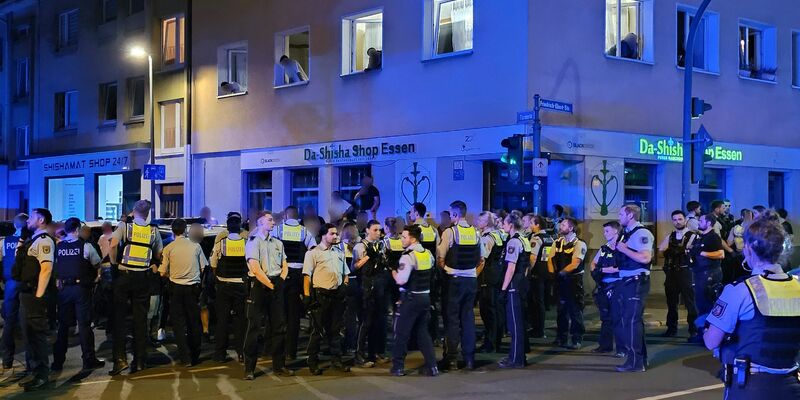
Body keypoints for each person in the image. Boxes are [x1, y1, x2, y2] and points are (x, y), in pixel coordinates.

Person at [703, 214, 800, 399]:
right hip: (791, 385)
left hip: (751, 386)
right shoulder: (798, 286)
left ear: (748, 248)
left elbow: (711, 341)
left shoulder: (740, 290)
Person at [108, 200, 164, 375]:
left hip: (125, 277)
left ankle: (120, 360)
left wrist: (114, 263)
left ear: (133, 212)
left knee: (120, 319)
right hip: (143, 278)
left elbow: (113, 244)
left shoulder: (125, 226)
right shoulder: (153, 230)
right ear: (148, 213)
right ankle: (140, 361)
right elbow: (158, 253)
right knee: (140, 321)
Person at [243, 211, 292, 379]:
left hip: (275, 284)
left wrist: (281, 280)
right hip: (260, 287)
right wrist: (272, 286)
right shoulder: (253, 242)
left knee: (279, 327)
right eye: (269, 220)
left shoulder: (277, 243)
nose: (273, 222)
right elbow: (255, 269)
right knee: (254, 328)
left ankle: (279, 365)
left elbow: (284, 264)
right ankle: (249, 368)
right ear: (260, 223)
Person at [436, 200, 485, 371]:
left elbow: (440, 258)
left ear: (455, 215)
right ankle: (469, 359)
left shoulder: (450, 232)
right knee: (468, 318)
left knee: (452, 320)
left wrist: (448, 270)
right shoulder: (476, 232)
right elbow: (481, 259)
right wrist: (472, 274)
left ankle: (451, 359)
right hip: (471, 280)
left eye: (450, 214)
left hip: (454, 280)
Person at [51, 218, 105, 372]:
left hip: (63, 290)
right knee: (84, 325)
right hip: (81, 289)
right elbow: (97, 263)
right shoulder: (85, 246)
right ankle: (89, 360)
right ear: (76, 229)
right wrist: (96, 277)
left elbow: (55, 266)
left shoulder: (59, 246)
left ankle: (57, 362)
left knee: (63, 327)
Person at [12, 208, 56, 391]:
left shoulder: (44, 241)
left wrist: (38, 296)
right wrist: (22, 238)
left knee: (37, 336)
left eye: (31, 217)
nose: (28, 220)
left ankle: (41, 375)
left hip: (34, 295)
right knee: (29, 336)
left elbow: (46, 269)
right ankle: (33, 370)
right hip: (26, 294)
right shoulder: (32, 239)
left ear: (41, 220)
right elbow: (18, 258)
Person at [390, 225, 438, 377]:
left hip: (410, 299)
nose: (401, 240)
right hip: (425, 297)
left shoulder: (408, 256)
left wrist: (392, 270)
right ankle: (432, 366)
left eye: (404, 237)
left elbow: (401, 280)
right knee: (423, 334)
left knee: (401, 333)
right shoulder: (428, 253)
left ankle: (398, 367)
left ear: (412, 238)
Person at [303, 223, 350, 375]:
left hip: (336, 295)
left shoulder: (339, 252)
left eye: (336, 234)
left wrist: (344, 285)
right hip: (321, 295)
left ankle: (337, 360)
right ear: (323, 235)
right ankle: (312, 361)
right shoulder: (313, 253)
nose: (336, 236)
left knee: (335, 330)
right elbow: (307, 276)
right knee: (317, 331)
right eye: (332, 233)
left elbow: (345, 272)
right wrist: (307, 296)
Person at [159, 219, 205, 367]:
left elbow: (162, 272)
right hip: (192, 289)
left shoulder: (169, 248)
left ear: (172, 231)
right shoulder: (195, 246)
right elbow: (204, 267)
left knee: (178, 325)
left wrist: (171, 275)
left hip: (176, 289)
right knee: (194, 323)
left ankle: (185, 357)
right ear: (185, 230)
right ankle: (195, 355)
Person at [614, 204, 654, 372]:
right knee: (631, 321)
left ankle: (635, 362)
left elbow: (645, 257)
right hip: (627, 280)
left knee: (631, 321)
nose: (619, 217)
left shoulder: (642, 233)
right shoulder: (626, 233)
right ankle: (639, 360)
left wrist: (624, 249)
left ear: (630, 215)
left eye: (621, 213)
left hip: (636, 281)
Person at [275, 205, 317, 360]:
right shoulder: (304, 231)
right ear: (297, 216)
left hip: (282, 274)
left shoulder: (278, 230)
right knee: (294, 316)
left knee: (279, 314)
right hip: (299, 274)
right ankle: (290, 351)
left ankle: (276, 349)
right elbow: (313, 249)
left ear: (286, 216)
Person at [210, 215, 247, 363]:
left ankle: (220, 354)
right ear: (239, 227)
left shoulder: (221, 243)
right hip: (241, 285)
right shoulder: (246, 243)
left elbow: (213, 264)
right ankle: (241, 353)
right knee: (240, 321)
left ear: (227, 227)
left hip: (224, 285)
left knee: (222, 321)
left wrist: (218, 278)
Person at [497, 213, 532, 368]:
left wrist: (504, 289)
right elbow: (527, 265)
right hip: (523, 283)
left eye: (504, 223)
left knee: (514, 324)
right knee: (520, 321)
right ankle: (516, 355)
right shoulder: (524, 239)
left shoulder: (513, 241)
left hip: (514, 285)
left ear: (511, 225)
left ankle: (517, 359)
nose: (503, 225)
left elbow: (511, 268)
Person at [547, 217, 586, 350]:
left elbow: (575, 263)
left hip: (573, 281)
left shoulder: (579, 244)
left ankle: (577, 339)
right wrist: (553, 275)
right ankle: (561, 337)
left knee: (575, 310)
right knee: (561, 311)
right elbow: (550, 259)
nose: (560, 226)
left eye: (563, 225)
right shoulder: (557, 242)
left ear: (571, 228)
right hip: (560, 280)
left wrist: (562, 272)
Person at [658, 211, 698, 338]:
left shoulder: (692, 236)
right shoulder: (670, 236)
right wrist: (668, 252)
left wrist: (684, 251)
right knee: (671, 303)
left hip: (686, 271)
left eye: (680, 219)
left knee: (690, 303)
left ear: (685, 220)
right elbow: (660, 251)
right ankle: (671, 329)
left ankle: (693, 330)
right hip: (672, 273)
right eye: (674, 219)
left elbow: (695, 253)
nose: (677, 222)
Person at [352, 220, 386, 367]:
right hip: (365, 286)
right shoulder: (360, 246)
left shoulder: (380, 245)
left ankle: (374, 353)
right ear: (367, 230)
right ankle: (359, 355)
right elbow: (354, 267)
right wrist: (368, 257)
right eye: (375, 230)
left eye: (379, 230)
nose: (378, 233)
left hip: (378, 285)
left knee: (378, 321)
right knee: (366, 322)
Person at [688, 213, 725, 343]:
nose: (699, 221)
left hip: (709, 274)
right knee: (700, 304)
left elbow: (721, 254)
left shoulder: (713, 237)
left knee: (707, 305)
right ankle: (702, 333)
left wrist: (703, 253)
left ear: (709, 223)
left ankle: (708, 335)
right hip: (699, 274)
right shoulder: (700, 237)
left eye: (701, 220)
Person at [408, 202, 442, 343]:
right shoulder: (433, 230)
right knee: (431, 303)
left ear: (416, 213)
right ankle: (433, 335)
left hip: (416, 273)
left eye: (411, 211)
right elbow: (438, 251)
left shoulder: (413, 230)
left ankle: (416, 338)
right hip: (431, 272)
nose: (410, 214)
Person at [590, 221, 624, 356]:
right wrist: (605, 269)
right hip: (603, 286)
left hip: (618, 287)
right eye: (604, 231)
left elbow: (621, 268)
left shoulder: (623, 247)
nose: (605, 234)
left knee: (618, 318)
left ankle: (622, 348)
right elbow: (593, 264)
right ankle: (605, 346)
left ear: (616, 231)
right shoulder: (604, 248)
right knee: (606, 318)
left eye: (607, 231)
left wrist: (605, 270)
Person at [1, 213, 27, 370]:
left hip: (10, 283)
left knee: (9, 323)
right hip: (25, 284)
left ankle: (7, 359)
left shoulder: (4, 242)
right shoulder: (30, 240)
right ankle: (31, 363)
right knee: (28, 322)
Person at [476, 211, 503, 353]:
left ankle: (490, 343)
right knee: (496, 310)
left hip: (487, 277)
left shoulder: (486, 238)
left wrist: (474, 276)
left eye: (480, 221)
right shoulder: (498, 234)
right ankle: (496, 340)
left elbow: (482, 260)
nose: (477, 223)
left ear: (486, 223)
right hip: (497, 276)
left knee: (487, 311)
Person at [527, 215, 552, 339]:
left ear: (537, 225)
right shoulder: (549, 238)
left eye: (531, 223)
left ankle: (538, 329)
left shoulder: (536, 239)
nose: (530, 226)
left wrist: (527, 272)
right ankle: (539, 328)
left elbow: (532, 258)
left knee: (536, 302)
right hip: (547, 273)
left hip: (537, 274)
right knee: (542, 302)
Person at [340, 221, 362, 353]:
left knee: (344, 316)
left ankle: (346, 344)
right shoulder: (358, 247)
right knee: (353, 316)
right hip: (357, 283)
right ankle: (353, 344)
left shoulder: (339, 247)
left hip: (344, 283)